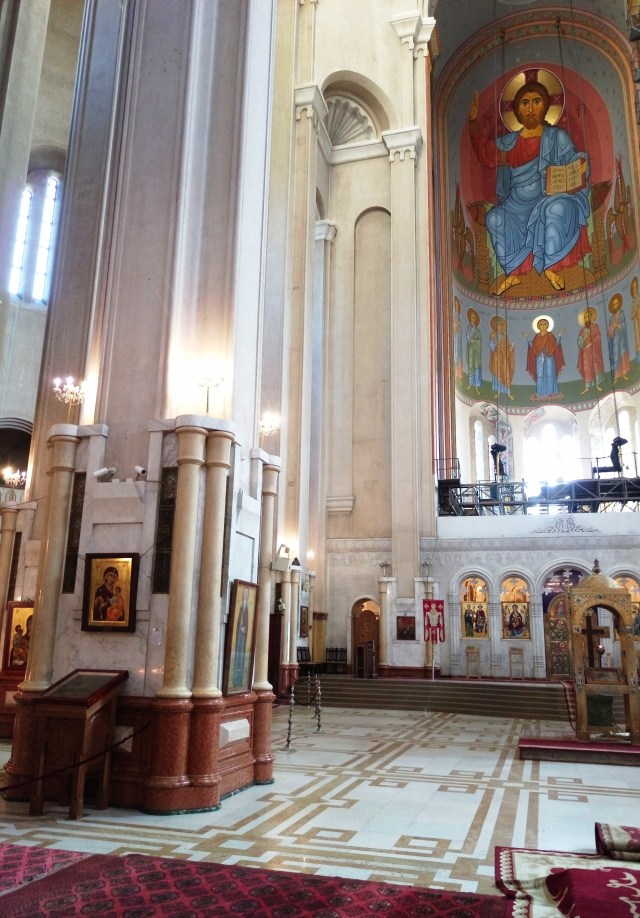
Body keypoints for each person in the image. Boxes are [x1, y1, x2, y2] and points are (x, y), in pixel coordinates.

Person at [469, 79, 590, 296]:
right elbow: (485, 153)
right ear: (517, 111)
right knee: (494, 218)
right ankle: (513, 272)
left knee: (556, 209)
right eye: (525, 103)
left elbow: (574, 161)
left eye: (536, 102)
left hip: (550, 197)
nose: (531, 108)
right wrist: (472, 122)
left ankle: (551, 266)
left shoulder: (557, 137)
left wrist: (580, 163)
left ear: (545, 107)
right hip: (516, 205)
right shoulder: (509, 142)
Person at [526, 317, 565, 400]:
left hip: (549, 357)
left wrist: (560, 335)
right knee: (540, 375)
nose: (543, 326)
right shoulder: (537, 337)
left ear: (547, 326)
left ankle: (551, 392)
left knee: (550, 374)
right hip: (540, 358)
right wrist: (527, 339)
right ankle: (540, 393)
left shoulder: (550, 335)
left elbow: (555, 344)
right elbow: (533, 346)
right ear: (538, 327)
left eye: (544, 325)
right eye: (541, 325)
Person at [577, 306, 604, 395]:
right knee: (586, 368)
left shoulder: (595, 327)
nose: (586, 319)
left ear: (591, 317)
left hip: (593, 351)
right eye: (585, 317)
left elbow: (598, 337)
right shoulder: (582, 330)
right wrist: (581, 339)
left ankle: (597, 385)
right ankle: (587, 387)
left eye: (588, 317)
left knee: (595, 367)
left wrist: (592, 343)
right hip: (585, 352)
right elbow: (579, 343)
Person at [488, 315, 514, 399]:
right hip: (496, 358)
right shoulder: (493, 335)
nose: (499, 327)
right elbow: (491, 345)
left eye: (501, 325)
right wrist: (496, 346)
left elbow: (507, 346)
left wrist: (511, 348)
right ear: (495, 326)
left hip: (504, 358)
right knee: (497, 374)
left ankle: (508, 392)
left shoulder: (504, 336)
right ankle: (498, 391)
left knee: (505, 373)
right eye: (497, 325)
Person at [607, 293, 630, 383]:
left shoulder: (622, 314)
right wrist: (612, 327)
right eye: (614, 305)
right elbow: (609, 333)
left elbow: (624, 326)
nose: (615, 306)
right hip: (615, 341)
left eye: (616, 304)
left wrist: (618, 326)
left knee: (622, 356)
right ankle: (616, 376)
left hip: (622, 340)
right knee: (616, 356)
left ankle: (624, 374)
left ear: (619, 304)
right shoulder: (611, 318)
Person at [466, 307, 482, 394]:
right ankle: (470, 384)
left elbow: (480, 341)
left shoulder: (478, 330)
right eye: (471, 317)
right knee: (470, 366)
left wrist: (476, 341)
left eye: (474, 317)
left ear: (476, 319)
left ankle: (477, 386)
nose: (473, 319)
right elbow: (467, 337)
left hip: (476, 352)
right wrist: (470, 340)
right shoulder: (469, 328)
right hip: (471, 351)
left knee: (477, 368)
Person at [453, 298, 464, 382]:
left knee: (460, 356)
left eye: (457, 305)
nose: (456, 306)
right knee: (456, 355)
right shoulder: (454, 316)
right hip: (455, 339)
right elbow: (453, 327)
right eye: (455, 305)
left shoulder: (459, 317)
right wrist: (456, 328)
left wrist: (458, 328)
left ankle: (459, 375)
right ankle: (455, 374)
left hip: (459, 339)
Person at [630, 276, 640, 360]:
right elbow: (632, 315)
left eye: (635, 287)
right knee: (638, 340)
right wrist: (635, 311)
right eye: (633, 288)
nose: (634, 289)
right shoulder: (633, 302)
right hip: (637, 322)